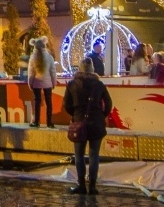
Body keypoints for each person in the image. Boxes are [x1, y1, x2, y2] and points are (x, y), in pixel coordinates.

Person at [63, 54, 112, 194]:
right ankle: (92, 186)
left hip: (79, 122)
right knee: (94, 155)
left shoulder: (72, 84)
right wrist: (102, 115)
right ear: (92, 69)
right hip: (96, 122)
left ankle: (81, 185)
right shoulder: (99, 84)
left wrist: (74, 115)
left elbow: (66, 104)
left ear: (80, 68)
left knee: (79, 155)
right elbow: (108, 103)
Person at [26, 37, 56, 127]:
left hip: (36, 83)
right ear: (44, 45)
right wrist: (53, 83)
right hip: (48, 83)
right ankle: (49, 122)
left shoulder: (33, 58)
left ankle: (36, 122)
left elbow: (31, 73)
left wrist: (30, 84)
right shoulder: (49, 57)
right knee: (49, 102)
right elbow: (53, 72)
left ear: (34, 46)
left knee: (37, 102)